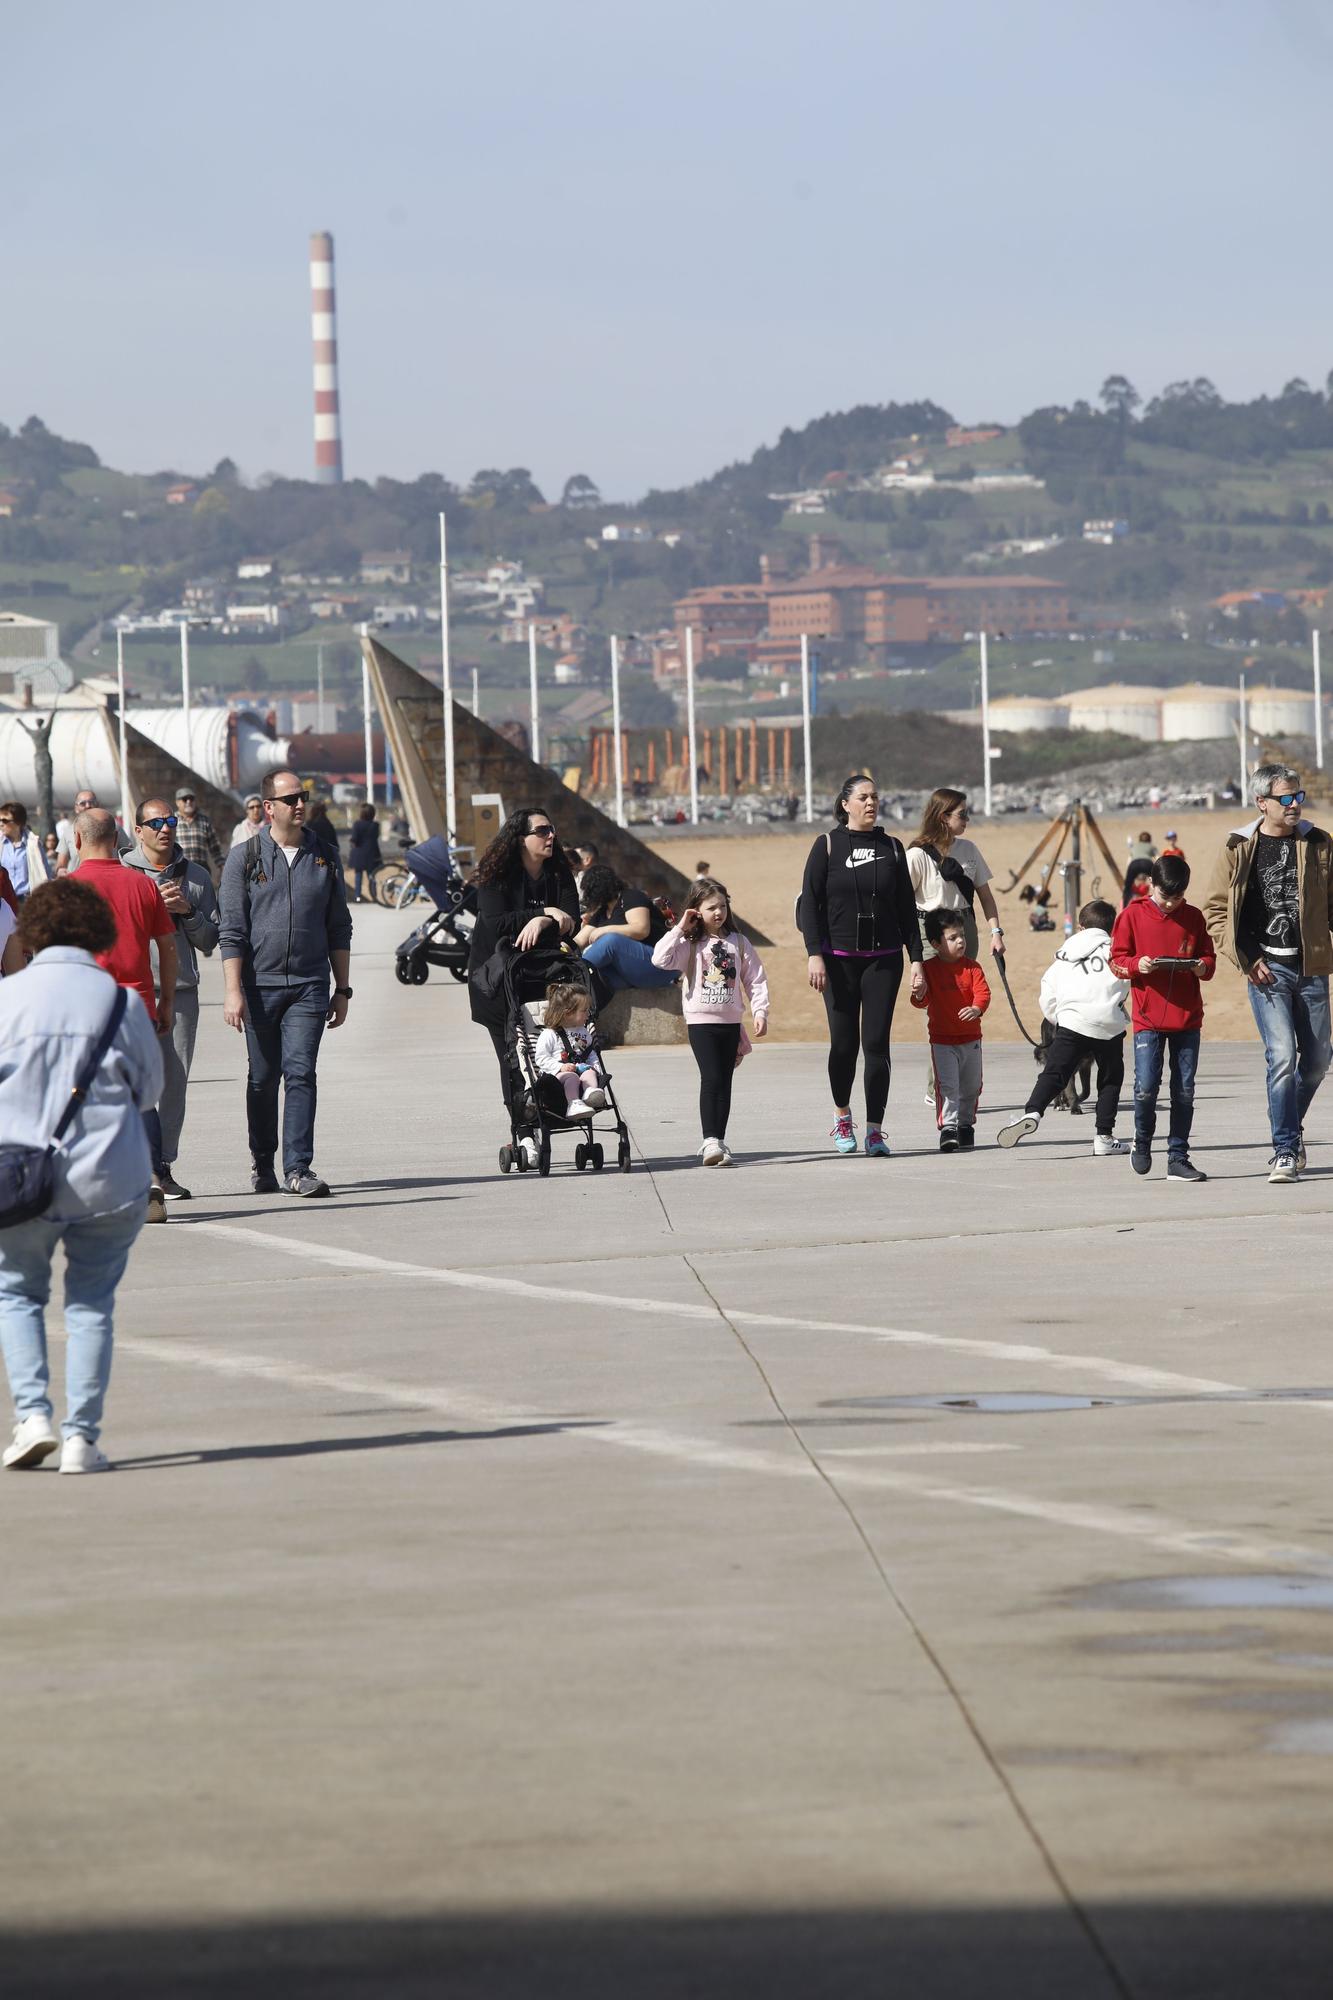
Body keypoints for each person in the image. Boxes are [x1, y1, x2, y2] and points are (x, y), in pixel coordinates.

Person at [0, 879, 163, 1474]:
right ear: (97, 932)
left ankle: (33, 1417)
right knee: (91, 1303)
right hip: (107, 1177)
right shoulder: (120, 1001)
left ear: (32, 931)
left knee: (16, 1293)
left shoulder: (6, 1000)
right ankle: (80, 1440)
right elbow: (150, 1092)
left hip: (17, 1178)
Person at [219, 768, 353, 1197]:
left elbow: (339, 926)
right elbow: (233, 930)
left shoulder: (325, 856)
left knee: (300, 1073)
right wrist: (233, 990)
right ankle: (262, 1162)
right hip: (259, 987)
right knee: (262, 1078)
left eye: (303, 797)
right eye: (290, 798)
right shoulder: (244, 857)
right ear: (269, 808)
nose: (300, 805)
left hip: (309, 985)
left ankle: (298, 1168)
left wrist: (343, 989)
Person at [1204, 762, 1333, 1184]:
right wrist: (1246, 958)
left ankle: (1291, 1129)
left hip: (1311, 968)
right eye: (1286, 798)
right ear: (1262, 803)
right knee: (1280, 1057)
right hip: (1266, 970)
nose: (1296, 804)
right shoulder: (1238, 847)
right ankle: (1283, 1150)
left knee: (1315, 1062)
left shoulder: (1319, 842)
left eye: (1298, 796)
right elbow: (1217, 912)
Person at [800, 774, 926, 1157]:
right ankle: (842, 1116)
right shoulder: (826, 846)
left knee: (876, 1044)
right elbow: (809, 903)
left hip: (884, 960)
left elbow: (906, 908)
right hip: (837, 961)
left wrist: (917, 960)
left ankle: (874, 1130)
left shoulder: (892, 847)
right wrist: (813, 954)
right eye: (863, 797)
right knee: (843, 1044)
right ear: (845, 804)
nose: (871, 803)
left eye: (875, 796)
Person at [74, 808, 177, 1224]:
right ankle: (151, 1179)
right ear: (118, 840)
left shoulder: (66, 890)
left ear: (77, 841)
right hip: (137, 1006)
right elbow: (167, 948)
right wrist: (167, 1000)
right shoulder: (142, 885)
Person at [467, 807, 580, 1169]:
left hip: (543, 976)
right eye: (542, 830)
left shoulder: (559, 872)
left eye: (553, 829)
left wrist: (545, 917)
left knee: (550, 1050)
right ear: (521, 838)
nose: (551, 836)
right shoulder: (496, 875)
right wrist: (543, 913)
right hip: (498, 980)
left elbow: (571, 921)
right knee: (514, 1058)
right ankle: (525, 1132)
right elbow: (496, 921)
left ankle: (557, 1111)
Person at [123, 796, 220, 1201]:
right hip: (131, 993)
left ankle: (162, 1166)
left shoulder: (195, 876)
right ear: (139, 829)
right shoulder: (124, 873)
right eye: (157, 821)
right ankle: (134, 1167)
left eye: (172, 821)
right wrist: (150, 910)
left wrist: (188, 911)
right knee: (130, 1084)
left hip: (180, 992)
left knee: (174, 1085)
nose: (166, 828)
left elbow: (212, 939)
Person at [1110, 854, 1215, 1183]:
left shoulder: (1194, 917)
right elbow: (1116, 960)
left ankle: (1178, 1156)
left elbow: (1209, 959)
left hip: (1187, 1018)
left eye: (1178, 897)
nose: (1170, 904)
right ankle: (1141, 1142)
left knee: (1184, 1090)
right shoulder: (1131, 915)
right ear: (1150, 885)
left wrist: (1201, 966)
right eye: (1164, 896)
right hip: (1148, 1018)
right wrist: (1136, 965)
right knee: (1145, 1087)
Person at [651, 876, 769, 1167]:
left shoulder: (739, 943)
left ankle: (718, 1140)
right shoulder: (689, 945)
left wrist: (760, 1011)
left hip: (730, 1022)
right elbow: (659, 959)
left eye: (723, 906)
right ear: (697, 911)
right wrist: (680, 928)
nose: (719, 913)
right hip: (701, 1022)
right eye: (711, 907)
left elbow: (755, 979)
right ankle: (709, 1141)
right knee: (712, 1077)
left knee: (724, 1082)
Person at [997, 899, 1129, 1155]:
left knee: (1054, 1073)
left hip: (1072, 1022)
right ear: (1111, 929)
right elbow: (1125, 981)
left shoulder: (1064, 955)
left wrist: (1059, 1018)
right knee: (1110, 1080)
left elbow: (1048, 994)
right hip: (1109, 1024)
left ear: (1080, 928)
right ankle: (1104, 1136)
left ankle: (1033, 1112)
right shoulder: (1116, 950)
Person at [910, 909, 989, 1150]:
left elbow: (983, 993)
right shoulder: (929, 969)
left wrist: (977, 1008)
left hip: (971, 1039)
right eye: (953, 937)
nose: (961, 941)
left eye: (962, 936)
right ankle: (949, 1128)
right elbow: (919, 1002)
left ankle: (966, 1125)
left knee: (972, 1085)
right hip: (943, 1042)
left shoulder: (973, 967)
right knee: (948, 1087)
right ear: (935, 943)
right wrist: (919, 993)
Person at [906, 788, 1006, 962]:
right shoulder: (917, 855)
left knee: (965, 986)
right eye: (962, 814)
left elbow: (986, 897)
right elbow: (902, 901)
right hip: (931, 931)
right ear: (944, 816)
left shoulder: (969, 849)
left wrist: (996, 933)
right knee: (933, 987)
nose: (967, 819)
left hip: (964, 928)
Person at [576, 863, 677, 993]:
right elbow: (578, 941)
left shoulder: (631, 896)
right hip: (631, 974)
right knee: (594, 977)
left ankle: (572, 973)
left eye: (590, 891)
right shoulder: (602, 912)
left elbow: (641, 930)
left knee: (611, 941)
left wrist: (604, 930)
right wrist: (561, 948)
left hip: (660, 965)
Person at [533, 980, 608, 1119]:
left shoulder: (583, 1032)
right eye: (584, 1010)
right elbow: (541, 1058)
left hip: (580, 1068)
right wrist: (560, 1067)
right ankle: (573, 1103)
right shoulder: (550, 1034)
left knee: (590, 1073)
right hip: (557, 1076)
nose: (588, 1014)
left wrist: (596, 1068)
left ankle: (590, 1093)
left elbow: (590, 1053)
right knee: (571, 1078)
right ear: (568, 1013)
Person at [57, 790, 132, 871]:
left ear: (98, 805)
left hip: (109, 878)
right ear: (76, 808)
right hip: (79, 882)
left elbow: (129, 854)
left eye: (91, 802)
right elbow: (61, 863)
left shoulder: (113, 826)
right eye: (82, 803)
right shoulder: (68, 832)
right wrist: (60, 871)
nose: (88, 806)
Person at [172, 787, 225, 882]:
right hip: (179, 868)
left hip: (201, 868)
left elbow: (215, 847)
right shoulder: (172, 820)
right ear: (177, 802)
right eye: (185, 799)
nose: (188, 802)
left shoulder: (204, 821)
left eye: (191, 798)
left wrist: (222, 866)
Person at [0, 803, 48, 901]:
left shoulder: (34, 844)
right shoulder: (1, 844)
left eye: (5, 821)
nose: (1, 824)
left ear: (18, 823)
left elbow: (45, 872)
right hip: (4, 900)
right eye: (0, 820)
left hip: (27, 901)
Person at [348, 804, 382, 902]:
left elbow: (355, 839)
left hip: (359, 854)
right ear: (373, 814)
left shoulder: (357, 824)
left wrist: (351, 841)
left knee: (358, 876)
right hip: (372, 853)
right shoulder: (375, 825)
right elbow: (375, 837)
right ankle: (374, 896)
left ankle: (358, 896)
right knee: (371, 876)